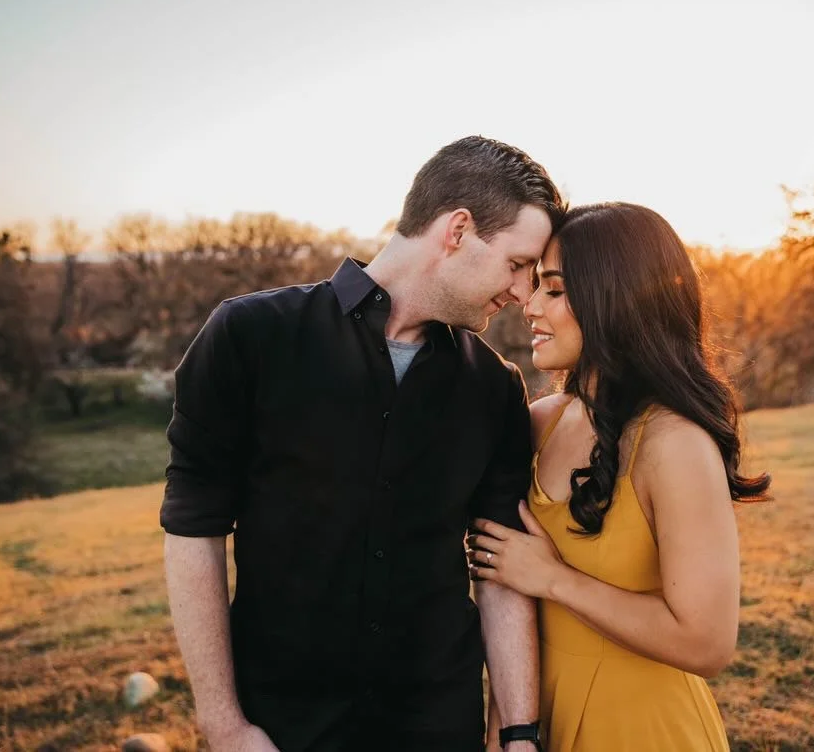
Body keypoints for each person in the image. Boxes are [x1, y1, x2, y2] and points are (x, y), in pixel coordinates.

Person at [160, 135, 566, 752]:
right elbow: (194, 531)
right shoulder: (249, 338)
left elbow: (497, 567)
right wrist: (224, 724)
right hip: (280, 727)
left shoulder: (494, 389)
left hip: (436, 725)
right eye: (516, 265)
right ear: (458, 230)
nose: (520, 292)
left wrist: (518, 734)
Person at [469, 202, 771, 752]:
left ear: (616, 300)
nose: (529, 306)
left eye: (554, 290)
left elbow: (707, 643)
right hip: (543, 724)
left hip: (645, 728)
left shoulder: (673, 443)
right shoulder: (539, 422)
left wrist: (554, 578)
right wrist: (505, 733)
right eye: (535, 285)